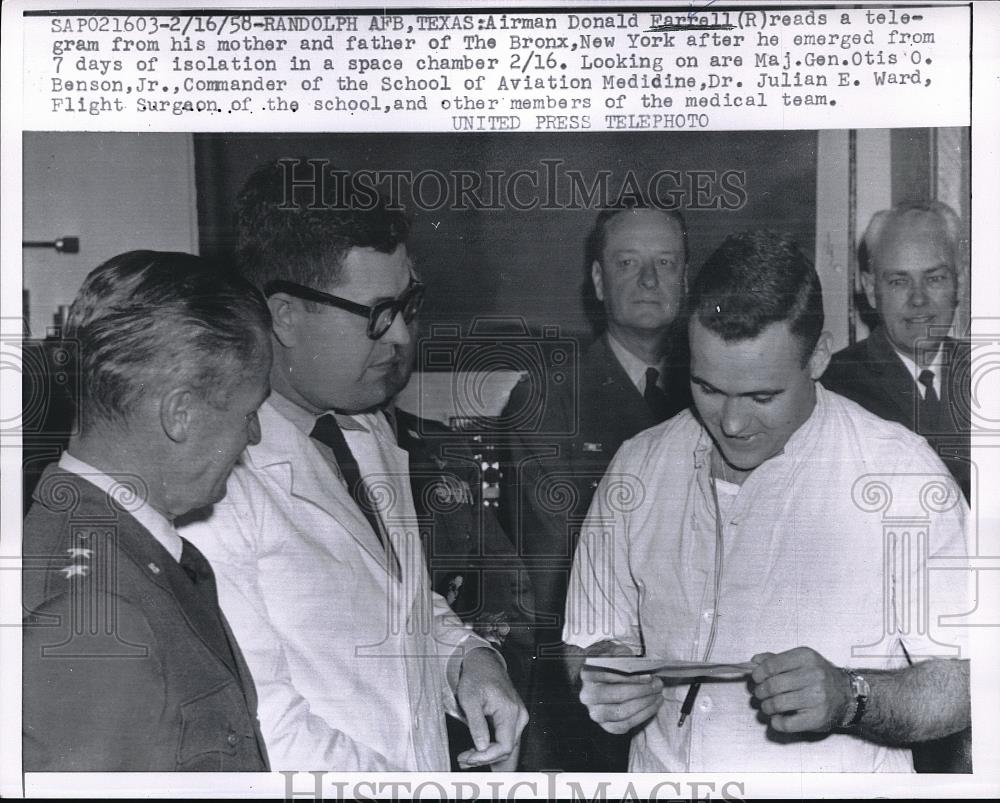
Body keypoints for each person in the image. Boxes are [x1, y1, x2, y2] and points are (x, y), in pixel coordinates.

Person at [564, 230, 971, 772]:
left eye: (762, 396)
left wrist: (851, 698)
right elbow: (585, 641)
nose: (731, 424)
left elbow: (968, 683)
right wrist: (601, 676)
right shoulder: (638, 467)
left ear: (819, 357)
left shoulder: (901, 475)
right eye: (708, 388)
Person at [179, 159, 527, 772]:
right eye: (377, 312)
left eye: (407, 305)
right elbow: (267, 729)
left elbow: (397, 607)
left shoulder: (362, 425)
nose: (399, 338)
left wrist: (467, 658)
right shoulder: (214, 484)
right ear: (284, 314)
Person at [22, 251, 273, 771]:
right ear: (180, 413)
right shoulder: (95, 617)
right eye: (249, 412)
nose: (255, 435)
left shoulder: (123, 555)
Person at [501, 204, 691, 771]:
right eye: (629, 262)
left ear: (685, 277)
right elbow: (556, 570)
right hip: (591, 688)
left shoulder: (718, 388)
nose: (650, 280)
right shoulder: (550, 400)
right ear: (599, 282)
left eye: (666, 262)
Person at [387, 323, 535, 769]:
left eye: (407, 313)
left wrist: (497, 665)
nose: (394, 333)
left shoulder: (443, 449)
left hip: (465, 705)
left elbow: (506, 583)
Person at [822, 200, 970, 501]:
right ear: (870, 288)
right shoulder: (832, 386)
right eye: (899, 281)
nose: (918, 299)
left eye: (935, 278)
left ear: (961, 282)